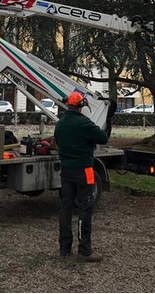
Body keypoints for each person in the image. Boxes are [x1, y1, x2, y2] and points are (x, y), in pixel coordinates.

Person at [53, 91, 109, 262]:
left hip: (66, 171)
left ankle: (64, 248)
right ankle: (84, 250)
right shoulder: (85, 123)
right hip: (85, 171)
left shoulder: (60, 124)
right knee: (85, 208)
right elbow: (103, 138)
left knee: (66, 208)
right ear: (81, 106)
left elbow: (56, 143)